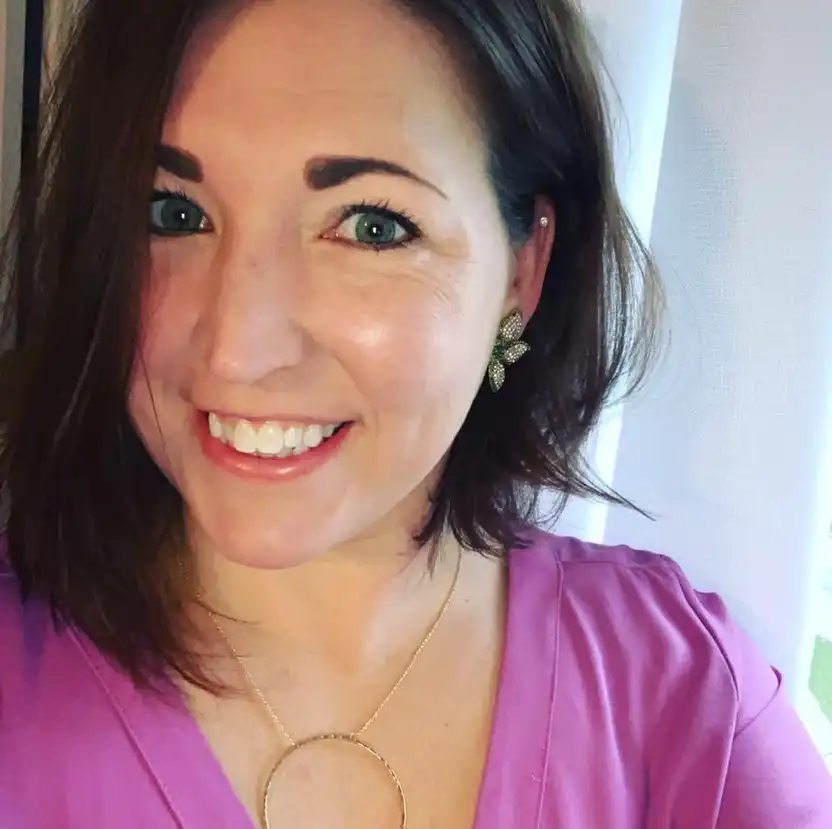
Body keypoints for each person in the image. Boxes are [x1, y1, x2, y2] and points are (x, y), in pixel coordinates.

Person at [0, 0, 829, 826]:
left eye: (371, 227)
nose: (238, 350)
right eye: (173, 213)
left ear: (523, 270)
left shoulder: (684, 701)